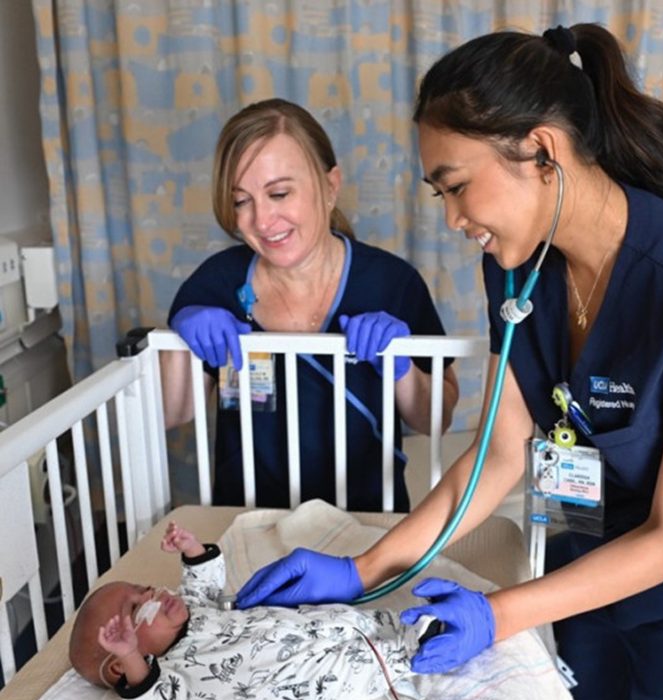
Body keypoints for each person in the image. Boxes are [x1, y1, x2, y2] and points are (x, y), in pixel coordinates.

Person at [232, 25, 663, 700]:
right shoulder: (517, 271)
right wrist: (363, 570)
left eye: (456, 185)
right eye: (440, 194)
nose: (452, 216)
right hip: (588, 566)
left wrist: (498, 616)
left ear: (541, 152)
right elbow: (499, 455)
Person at [161, 98, 458, 511]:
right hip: (247, 521)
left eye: (279, 193)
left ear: (330, 186)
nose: (262, 221)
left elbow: (435, 420)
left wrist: (402, 367)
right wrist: (180, 339)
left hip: (367, 527)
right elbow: (171, 414)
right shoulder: (216, 285)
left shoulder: (391, 283)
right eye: (241, 201)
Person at [68, 522, 434, 700]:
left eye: (144, 589)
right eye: (135, 609)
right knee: (351, 672)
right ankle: (411, 649)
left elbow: (203, 582)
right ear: (119, 661)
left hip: (303, 627)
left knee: (346, 619)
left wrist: (192, 547)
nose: (153, 595)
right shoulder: (171, 676)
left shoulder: (192, 608)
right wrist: (133, 658)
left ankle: (400, 624)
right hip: (296, 680)